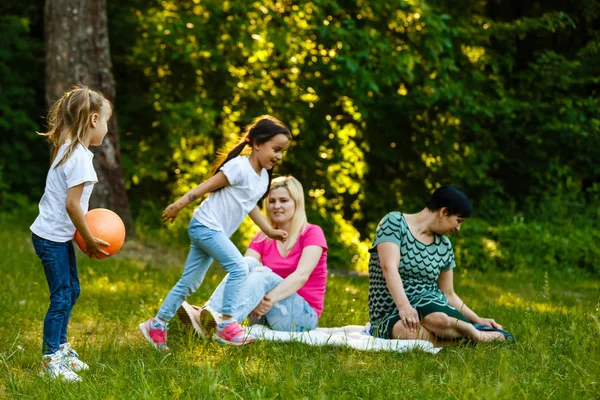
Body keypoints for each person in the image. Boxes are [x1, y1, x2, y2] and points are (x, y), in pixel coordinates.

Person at [139, 116, 291, 349]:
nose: (279, 156)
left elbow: (249, 204)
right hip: (205, 226)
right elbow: (206, 187)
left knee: (189, 283)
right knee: (239, 267)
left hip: (212, 231)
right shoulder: (239, 166)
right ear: (258, 144)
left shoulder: (262, 179)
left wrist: (269, 230)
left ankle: (157, 325)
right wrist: (178, 205)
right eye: (276, 149)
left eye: (283, 151)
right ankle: (227, 325)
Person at [30, 86, 113, 382]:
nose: (106, 127)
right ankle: (51, 359)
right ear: (92, 120)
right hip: (51, 238)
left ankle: (62, 348)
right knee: (62, 296)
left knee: (71, 291)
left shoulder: (69, 147)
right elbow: (72, 204)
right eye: (105, 121)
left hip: (56, 236)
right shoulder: (79, 157)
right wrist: (89, 238)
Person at [178, 176, 328, 335]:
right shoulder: (262, 237)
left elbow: (301, 276)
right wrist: (256, 300)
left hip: (303, 317)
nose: (276, 206)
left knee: (264, 275)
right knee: (246, 263)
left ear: (297, 203)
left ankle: (223, 323)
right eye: (272, 201)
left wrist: (266, 300)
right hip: (261, 313)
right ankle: (209, 314)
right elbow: (243, 271)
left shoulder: (312, 233)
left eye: (283, 200)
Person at [368, 186, 512, 343]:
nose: (458, 228)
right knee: (410, 334)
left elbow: (448, 293)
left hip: (431, 305)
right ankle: (473, 338)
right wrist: (404, 307)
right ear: (444, 212)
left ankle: (475, 334)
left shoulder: (444, 245)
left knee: (439, 319)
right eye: (458, 221)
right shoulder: (394, 222)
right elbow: (389, 267)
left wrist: (477, 319)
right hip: (390, 311)